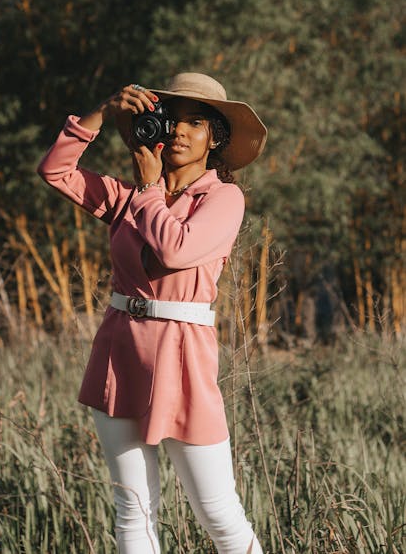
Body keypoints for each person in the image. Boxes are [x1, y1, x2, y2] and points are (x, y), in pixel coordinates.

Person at [37, 72, 267, 554]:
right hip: (120, 352)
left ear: (214, 139)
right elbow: (55, 172)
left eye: (196, 123)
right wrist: (104, 111)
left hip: (184, 357)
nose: (181, 131)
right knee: (133, 513)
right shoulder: (127, 197)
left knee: (218, 513)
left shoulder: (224, 199)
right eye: (173, 120)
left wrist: (147, 188)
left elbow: (176, 250)